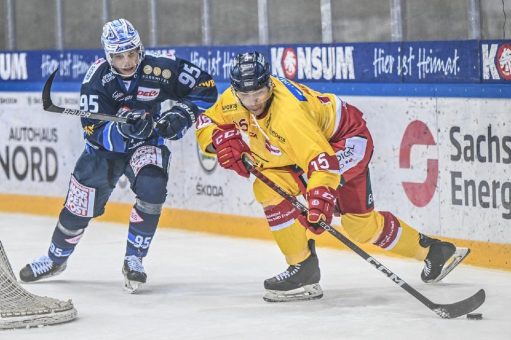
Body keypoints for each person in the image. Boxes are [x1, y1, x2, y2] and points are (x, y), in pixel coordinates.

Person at [195, 51, 469, 302]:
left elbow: (322, 163)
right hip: (304, 152)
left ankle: (432, 252)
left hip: (346, 141)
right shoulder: (233, 100)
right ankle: (303, 269)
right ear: (235, 91)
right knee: (269, 188)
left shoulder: (289, 116)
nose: (254, 101)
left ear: (270, 84)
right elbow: (206, 120)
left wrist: (320, 201)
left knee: (359, 227)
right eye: (247, 96)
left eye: (260, 93)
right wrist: (216, 139)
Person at [19, 18, 217, 293]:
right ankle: (55, 259)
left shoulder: (159, 68)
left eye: (131, 53)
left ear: (140, 48)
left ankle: (134, 258)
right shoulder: (97, 80)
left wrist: (179, 115)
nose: (127, 61)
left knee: (153, 186)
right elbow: (93, 131)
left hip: (146, 144)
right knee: (77, 211)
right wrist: (124, 131)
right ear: (107, 55)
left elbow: (205, 87)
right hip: (102, 154)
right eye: (118, 55)